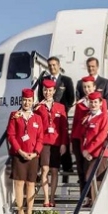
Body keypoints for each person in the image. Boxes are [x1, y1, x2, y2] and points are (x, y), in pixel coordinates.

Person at [6, 88, 44, 214]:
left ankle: (30, 211)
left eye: (29, 100)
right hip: (19, 155)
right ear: (21, 101)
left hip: (33, 156)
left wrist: (36, 153)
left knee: (31, 183)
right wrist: (20, 151)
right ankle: (20, 211)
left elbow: (40, 138)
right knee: (19, 183)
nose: (27, 103)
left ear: (33, 102)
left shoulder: (37, 118)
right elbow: (11, 135)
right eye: (24, 100)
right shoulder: (15, 116)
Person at [38, 56, 75, 173]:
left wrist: (63, 110)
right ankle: (44, 165)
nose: (52, 67)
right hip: (47, 114)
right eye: (50, 65)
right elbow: (40, 96)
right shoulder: (42, 80)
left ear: (59, 66)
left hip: (60, 115)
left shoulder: (66, 80)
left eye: (54, 65)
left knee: (63, 139)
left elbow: (71, 98)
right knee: (46, 141)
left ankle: (67, 166)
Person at [35, 79, 68, 207]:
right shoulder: (38, 107)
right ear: (42, 91)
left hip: (56, 142)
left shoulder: (60, 107)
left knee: (54, 171)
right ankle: (46, 198)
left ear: (54, 91)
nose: (47, 92)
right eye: (45, 90)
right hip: (44, 142)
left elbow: (64, 128)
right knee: (44, 169)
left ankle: (52, 197)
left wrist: (64, 144)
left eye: (50, 90)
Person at [81, 91, 108, 207]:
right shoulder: (88, 117)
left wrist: (88, 150)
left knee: (94, 178)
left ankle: (96, 204)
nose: (93, 104)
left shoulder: (103, 116)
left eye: (95, 102)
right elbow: (84, 136)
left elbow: (101, 136)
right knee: (91, 179)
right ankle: (94, 203)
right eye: (91, 102)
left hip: (99, 153)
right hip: (88, 154)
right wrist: (84, 151)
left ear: (100, 103)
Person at [71, 76, 95, 200]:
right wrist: (72, 141)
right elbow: (75, 123)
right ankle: (84, 197)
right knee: (80, 171)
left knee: (88, 170)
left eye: (89, 87)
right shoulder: (80, 104)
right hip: (78, 139)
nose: (87, 89)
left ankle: (92, 197)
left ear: (94, 87)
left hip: (90, 141)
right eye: (84, 87)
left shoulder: (99, 102)